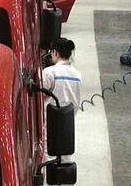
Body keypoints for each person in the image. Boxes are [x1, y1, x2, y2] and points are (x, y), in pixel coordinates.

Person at [42, 38, 81, 168]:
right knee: (66, 156)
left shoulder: (49, 72)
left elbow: (41, 94)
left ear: (55, 53)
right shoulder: (77, 74)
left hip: (50, 120)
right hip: (68, 120)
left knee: (49, 155)